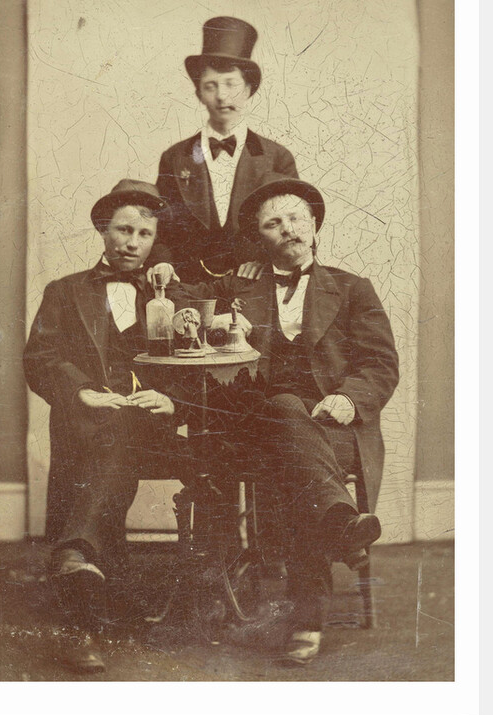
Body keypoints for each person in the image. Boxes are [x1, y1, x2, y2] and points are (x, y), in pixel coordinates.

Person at [163, 172, 399, 664]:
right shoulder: (240, 284)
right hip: (254, 423)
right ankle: (340, 528)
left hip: (330, 427)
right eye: (273, 223)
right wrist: (215, 319)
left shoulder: (353, 289)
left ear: (315, 226)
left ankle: (309, 615)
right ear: (259, 238)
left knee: (290, 453)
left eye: (296, 218)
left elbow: (379, 364)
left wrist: (350, 400)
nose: (287, 228)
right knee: (283, 411)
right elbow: (181, 300)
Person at [23, 179, 184, 673]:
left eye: (144, 233)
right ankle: (86, 598)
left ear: (156, 239)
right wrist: (78, 391)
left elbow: (210, 363)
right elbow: (40, 356)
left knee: (122, 431)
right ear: (102, 229)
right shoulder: (65, 290)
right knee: (111, 431)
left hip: (159, 429)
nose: (133, 242)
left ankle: (75, 554)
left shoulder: (176, 294)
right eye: (123, 230)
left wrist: (171, 398)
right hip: (90, 425)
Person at [153, 16, 299, 283]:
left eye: (231, 84)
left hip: (257, 283)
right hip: (188, 285)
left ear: (248, 90)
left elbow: (296, 226)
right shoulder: (175, 158)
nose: (221, 96)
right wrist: (163, 263)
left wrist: (267, 261)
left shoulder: (277, 158)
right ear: (199, 93)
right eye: (211, 86)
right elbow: (161, 228)